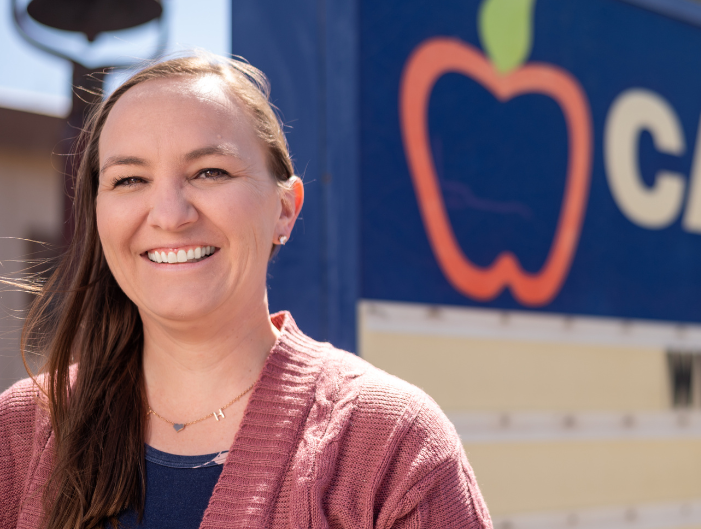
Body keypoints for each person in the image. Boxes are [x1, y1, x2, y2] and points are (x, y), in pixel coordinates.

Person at [0, 53, 492, 529]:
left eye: (210, 172)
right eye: (129, 179)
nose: (169, 215)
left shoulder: (393, 443)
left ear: (285, 209)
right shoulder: (20, 431)